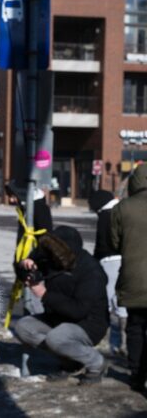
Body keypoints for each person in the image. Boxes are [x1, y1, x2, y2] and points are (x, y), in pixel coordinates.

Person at [14, 226, 109, 385]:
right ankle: (71, 362)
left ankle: (96, 363)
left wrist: (44, 294)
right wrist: (24, 265)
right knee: (24, 327)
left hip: (88, 323)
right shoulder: (52, 258)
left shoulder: (91, 270)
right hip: (58, 317)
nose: (49, 257)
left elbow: (79, 310)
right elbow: (25, 271)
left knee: (56, 338)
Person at [111, 163, 147, 393]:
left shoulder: (122, 208)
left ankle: (136, 373)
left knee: (135, 327)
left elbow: (115, 242)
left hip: (133, 278)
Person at [89, 189, 127, 357]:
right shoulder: (121, 211)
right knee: (121, 302)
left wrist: (94, 261)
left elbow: (101, 243)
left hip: (109, 261)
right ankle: (123, 343)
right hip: (124, 259)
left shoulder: (105, 215)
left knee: (107, 300)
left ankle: (109, 341)